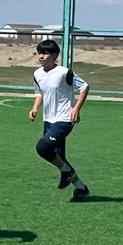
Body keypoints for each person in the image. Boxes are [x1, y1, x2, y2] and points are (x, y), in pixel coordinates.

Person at [29, 39, 90, 201]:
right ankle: (81, 187)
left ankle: (66, 171)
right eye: (39, 53)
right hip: (48, 120)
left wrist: (76, 108)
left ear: (55, 55)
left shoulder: (64, 72)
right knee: (60, 157)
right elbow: (39, 93)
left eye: (45, 53)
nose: (41, 56)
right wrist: (35, 108)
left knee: (43, 147)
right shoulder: (37, 74)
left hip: (65, 119)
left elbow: (84, 87)